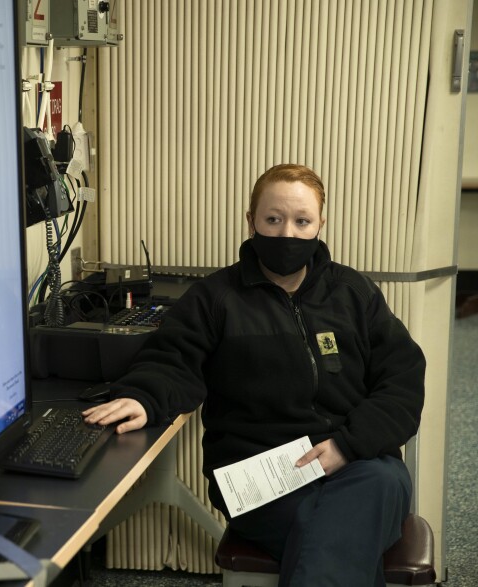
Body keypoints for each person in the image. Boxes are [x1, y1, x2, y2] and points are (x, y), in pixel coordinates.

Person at [83, 163, 425, 586]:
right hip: (260, 478)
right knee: (341, 531)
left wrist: (347, 446)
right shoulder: (215, 298)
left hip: (361, 463)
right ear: (251, 221)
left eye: (302, 221)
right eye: (273, 219)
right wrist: (143, 397)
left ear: (321, 223)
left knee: (368, 490)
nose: (287, 234)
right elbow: (173, 361)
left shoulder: (354, 294)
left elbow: (403, 377)